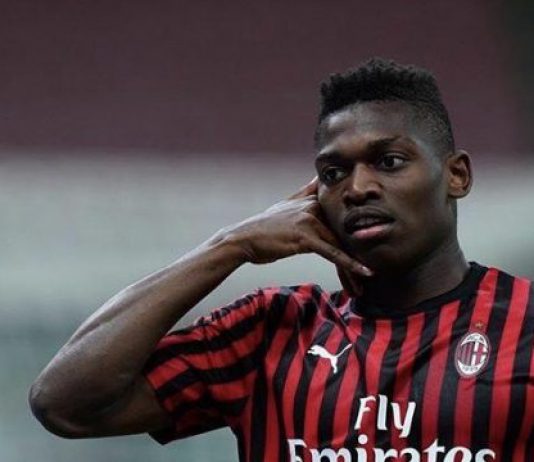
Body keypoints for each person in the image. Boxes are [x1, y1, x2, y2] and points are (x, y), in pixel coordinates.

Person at [29, 58, 534, 462]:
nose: (358, 187)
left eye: (388, 161)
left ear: (456, 176)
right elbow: (65, 404)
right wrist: (229, 246)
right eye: (333, 173)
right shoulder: (272, 329)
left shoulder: (526, 324)